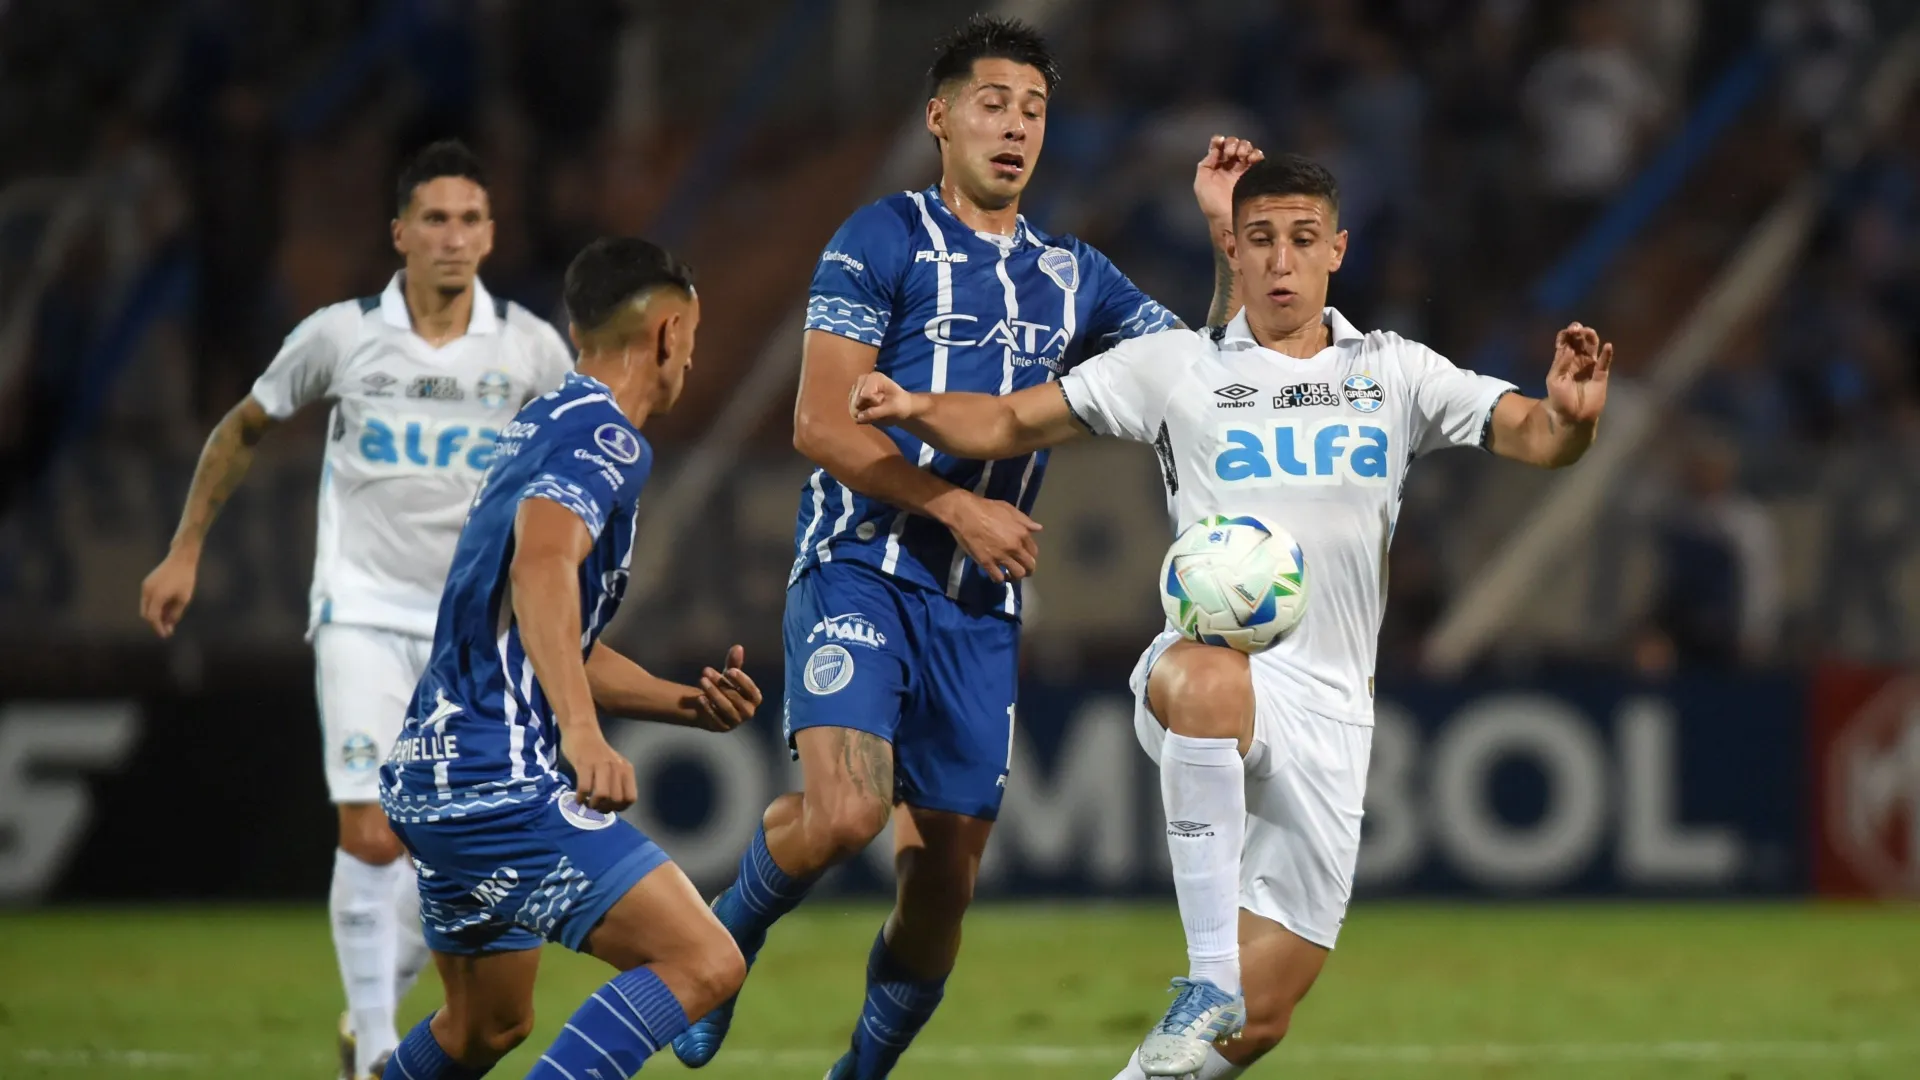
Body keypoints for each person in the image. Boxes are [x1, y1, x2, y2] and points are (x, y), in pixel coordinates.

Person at [848, 153, 1614, 1079]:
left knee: (1259, 1020)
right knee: (1209, 678)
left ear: (1337, 250)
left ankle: (1203, 1017)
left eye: (1300, 241)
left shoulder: (1394, 372)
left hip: (1332, 714)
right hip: (1204, 673)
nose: (1280, 262)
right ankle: (1204, 973)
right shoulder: (1178, 368)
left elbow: (1532, 435)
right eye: (1259, 241)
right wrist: (913, 405)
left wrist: (1571, 418)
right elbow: (1011, 421)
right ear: (1233, 253)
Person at [669, 15, 1257, 1079]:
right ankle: (726, 938)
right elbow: (818, 422)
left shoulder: (1076, 275)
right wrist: (956, 505)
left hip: (975, 609)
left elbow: (1203, 372)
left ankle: (860, 1073)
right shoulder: (877, 239)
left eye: (1034, 110)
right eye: (993, 103)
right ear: (940, 118)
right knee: (845, 813)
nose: (1016, 126)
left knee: (942, 885)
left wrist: (1225, 242)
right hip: (862, 564)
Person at [137, 139, 575, 1080]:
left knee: (457, 849)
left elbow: (579, 471)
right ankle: (377, 1053)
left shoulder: (532, 348)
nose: (452, 237)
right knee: (371, 832)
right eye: (434, 219)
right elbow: (244, 427)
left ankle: (368, 1013)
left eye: (469, 219)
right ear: (400, 233)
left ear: (491, 234)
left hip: (477, 636)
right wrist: (184, 550)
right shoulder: (343, 334)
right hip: (362, 612)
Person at [379, 236, 765, 1079]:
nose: (692, 357)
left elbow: (541, 629)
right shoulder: (608, 438)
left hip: (430, 774)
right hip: (496, 778)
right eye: (692, 337)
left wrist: (678, 702)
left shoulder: (540, 425)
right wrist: (584, 739)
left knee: (484, 1028)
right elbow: (541, 567)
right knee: (704, 962)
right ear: (666, 333)